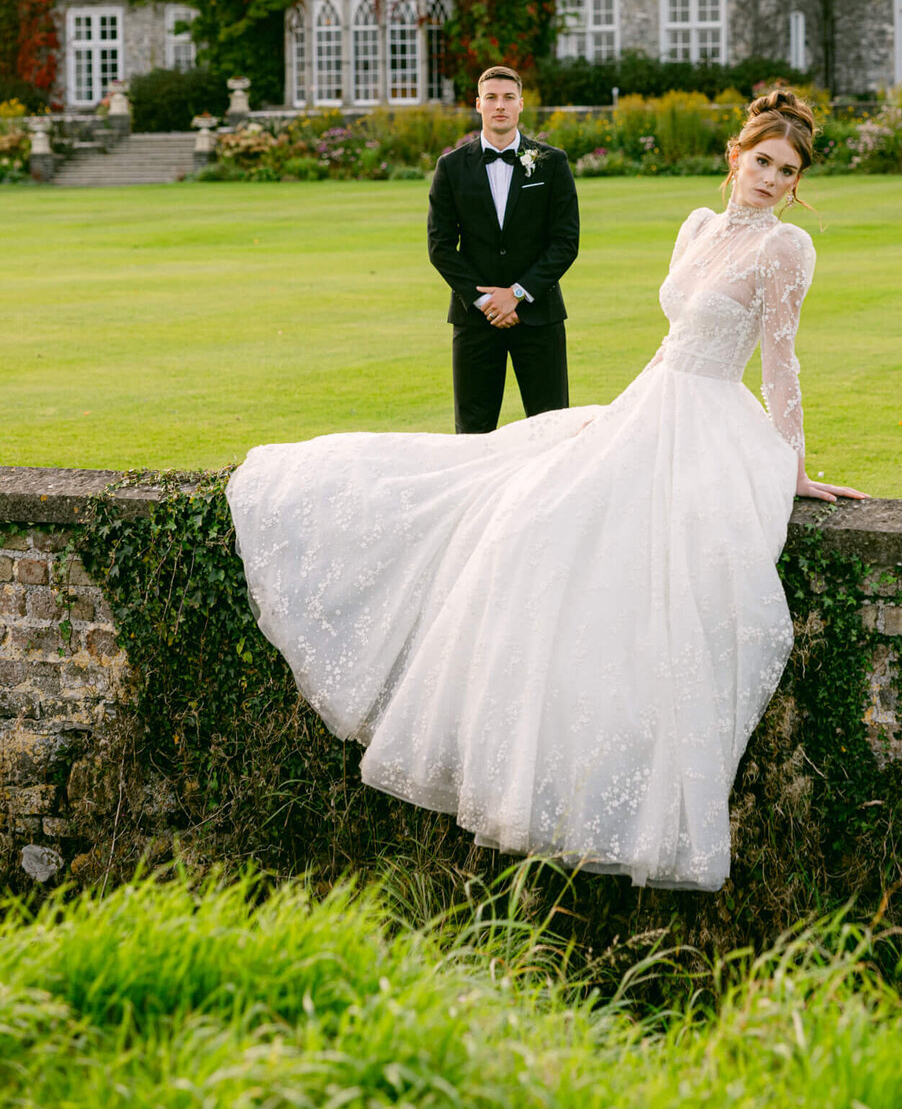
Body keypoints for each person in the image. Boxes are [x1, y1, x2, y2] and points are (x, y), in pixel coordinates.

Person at [227, 87, 866, 893]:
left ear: (797, 181)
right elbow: (674, 338)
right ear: (734, 158)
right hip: (650, 402)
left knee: (608, 557)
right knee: (518, 507)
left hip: (708, 423)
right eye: (762, 162)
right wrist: (621, 418)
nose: (771, 179)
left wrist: (794, 467)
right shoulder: (697, 227)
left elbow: (781, 363)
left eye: (788, 170)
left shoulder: (786, 250)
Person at [427, 66, 580, 433]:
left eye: (508, 98)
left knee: (551, 428)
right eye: (491, 98)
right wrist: (487, 302)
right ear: (478, 105)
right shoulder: (450, 168)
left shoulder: (551, 163)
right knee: (473, 433)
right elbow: (440, 246)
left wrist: (517, 294)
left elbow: (565, 241)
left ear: (521, 105)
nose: (500, 106)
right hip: (475, 319)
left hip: (539, 316)